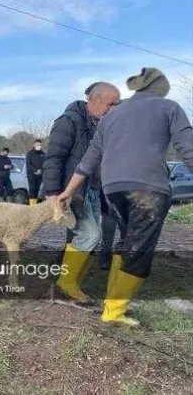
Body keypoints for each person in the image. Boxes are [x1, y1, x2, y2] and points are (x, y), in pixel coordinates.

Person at [57, 67, 193, 326]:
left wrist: (67, 191)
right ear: (161, 88)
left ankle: (112, 304)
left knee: (128, 241)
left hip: (113, 189)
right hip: (149, 189)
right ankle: (114, 312)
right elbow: (189, 149)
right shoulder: (170, 107)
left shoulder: (113, 114)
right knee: (139, 250)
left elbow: (89, 159)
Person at [42, 81, 120, 306]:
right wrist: (52, 193)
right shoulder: (69, 122)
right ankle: (65, 283)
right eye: (111, 103)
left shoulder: (99, 124)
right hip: (73, 191)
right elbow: (54, 158)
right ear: (93, 100)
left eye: (117, 104)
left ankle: (69, 280)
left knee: (88, 238)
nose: (114, 109)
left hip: (93, 190)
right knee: (90, 235)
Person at [25, 139, 46, 205]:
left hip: (40, 175)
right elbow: (29, 165)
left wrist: (41, 170)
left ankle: (36, 206)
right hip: (32, 175)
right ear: (34, 145)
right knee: (32, 190)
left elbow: (45, 164)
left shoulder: (43, 154)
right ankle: (32, 206)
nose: (39, 146)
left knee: (37, 191)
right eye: (37, 145)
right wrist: (35, 170)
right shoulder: (29, 154)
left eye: (40, 145)